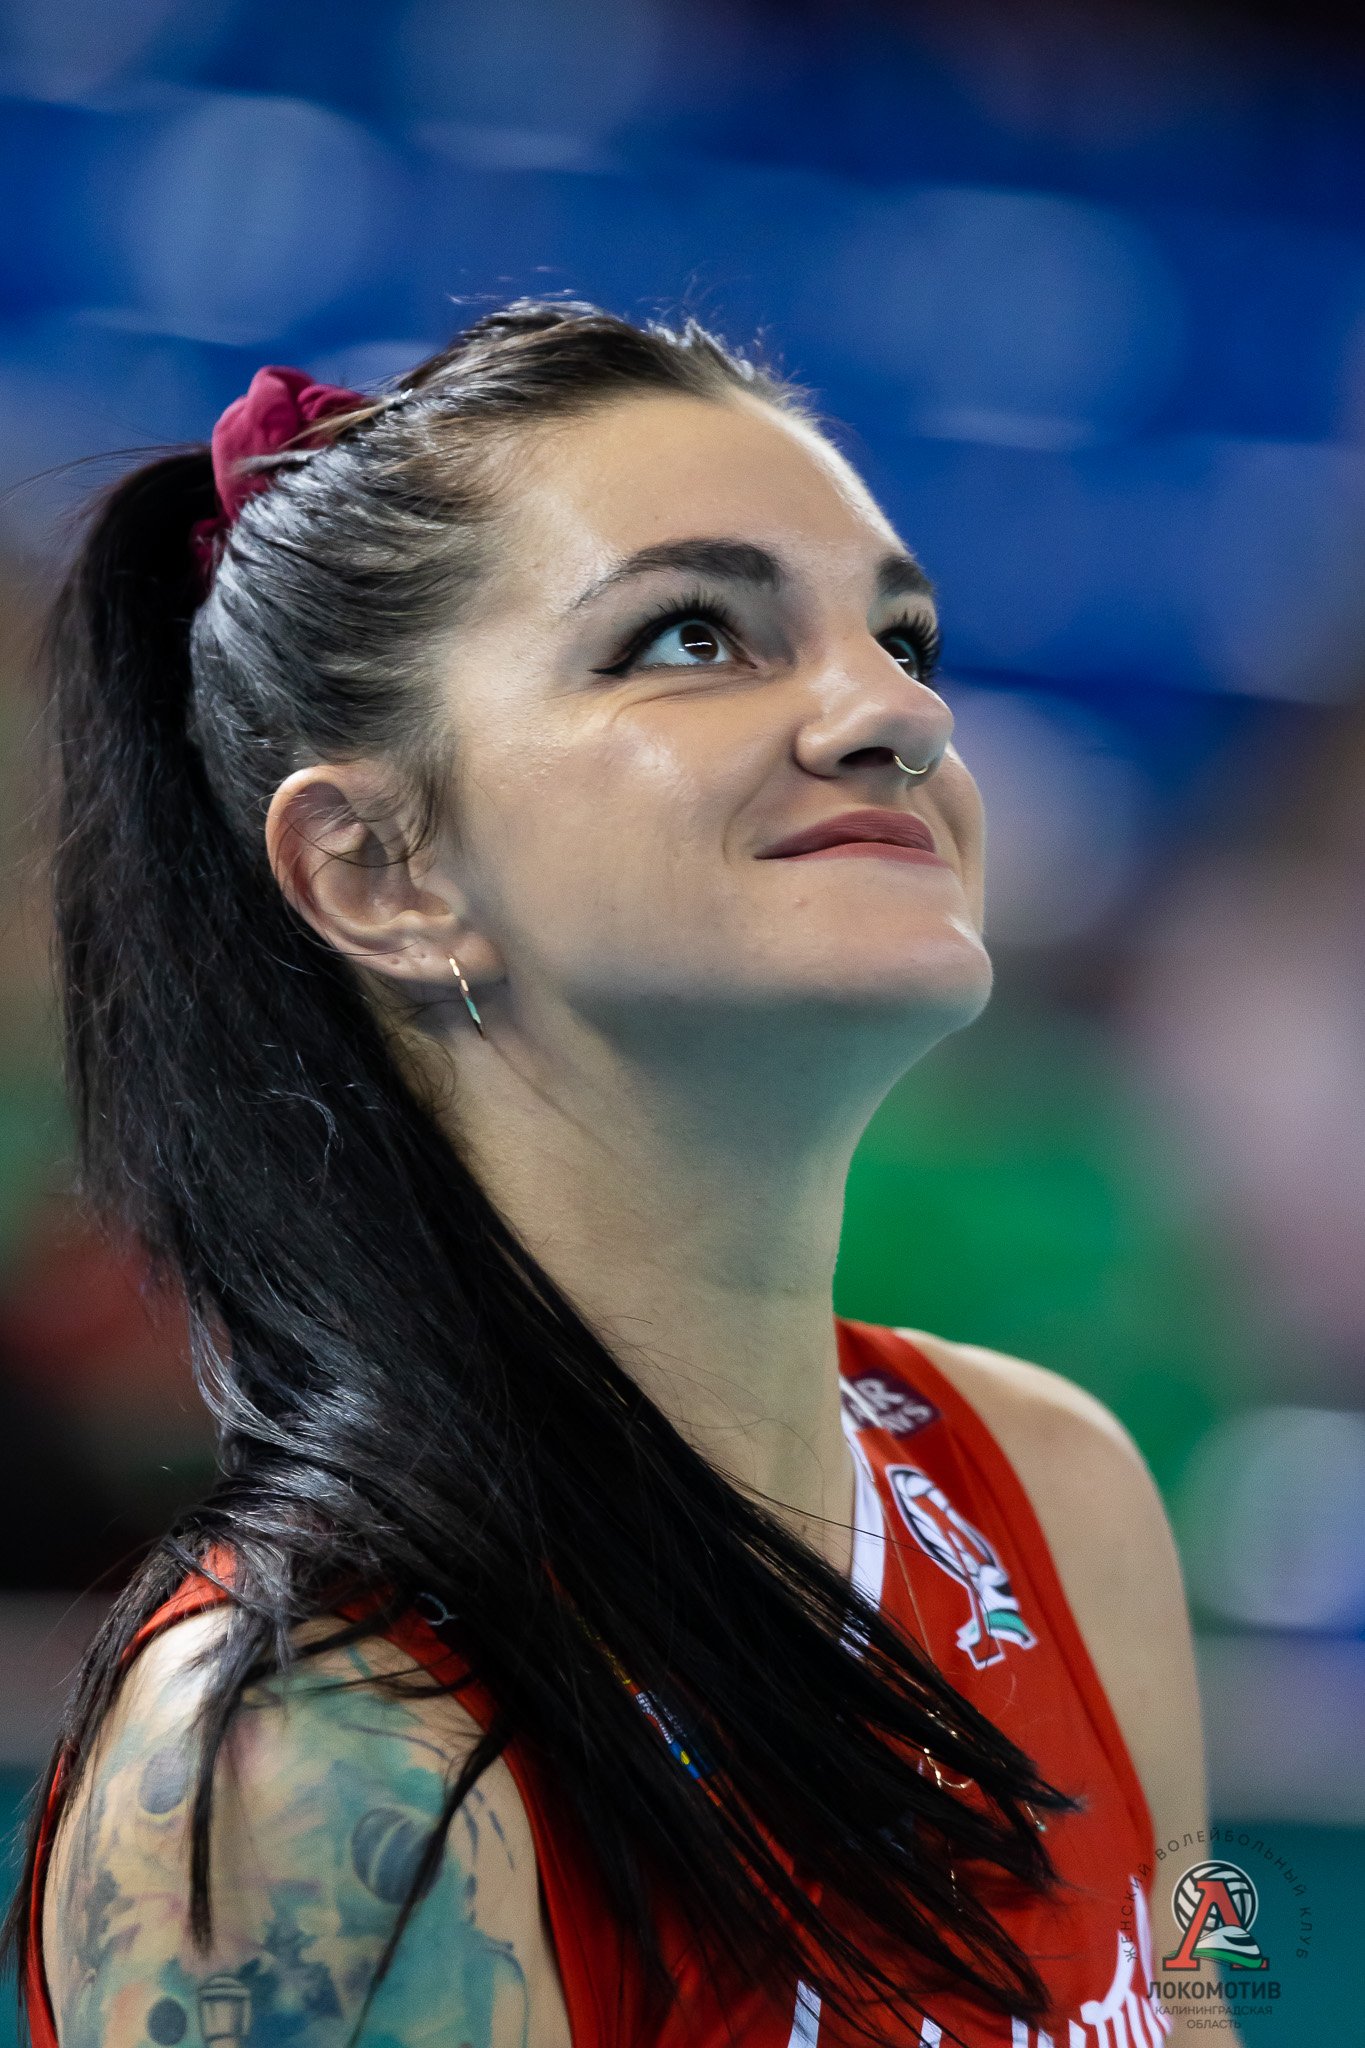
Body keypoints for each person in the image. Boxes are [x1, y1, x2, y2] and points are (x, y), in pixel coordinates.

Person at [3, 301, 1219, 2048]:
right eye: (692, 635)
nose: (892, 713)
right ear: (378, 872)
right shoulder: (320, 1761)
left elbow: (1195, 1993)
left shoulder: (1054, 1490)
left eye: (902, 636)